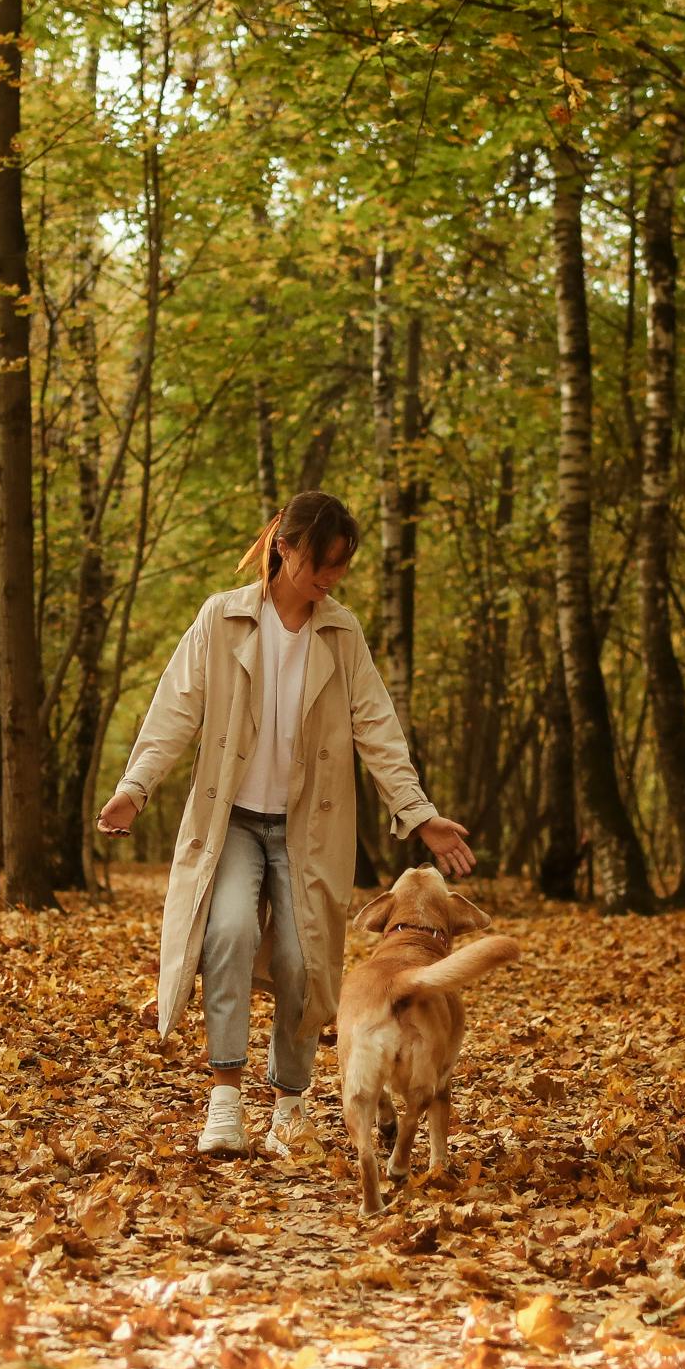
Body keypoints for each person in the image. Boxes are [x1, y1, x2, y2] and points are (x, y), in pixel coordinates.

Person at [99, 492, 473, 1156]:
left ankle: (291, 1105)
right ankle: (224, 1102)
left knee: (305, 961)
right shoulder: (223, 617)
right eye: (319, 564)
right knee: (231, 933)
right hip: (232, 821)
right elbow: (173, 711)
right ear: (285, 548)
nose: (329, 578)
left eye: (339, 567)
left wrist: (421, 817)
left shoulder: (341, 631)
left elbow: (378, 731)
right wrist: (135, 787)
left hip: (310, 831)